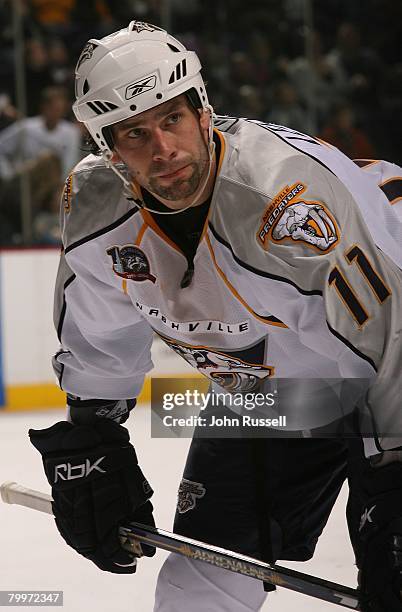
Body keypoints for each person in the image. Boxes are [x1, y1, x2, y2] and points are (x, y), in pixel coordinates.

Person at [28, 22, 402, 612]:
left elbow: (390, 347)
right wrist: (92, 437)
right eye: (134, 133)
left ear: (203, 111)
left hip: (387, 365)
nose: (163, 151)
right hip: (275, 393)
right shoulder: (99, 207)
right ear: (107, 147)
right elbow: (97, 336)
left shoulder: (287, 204)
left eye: (172, 119)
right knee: (195, 589)